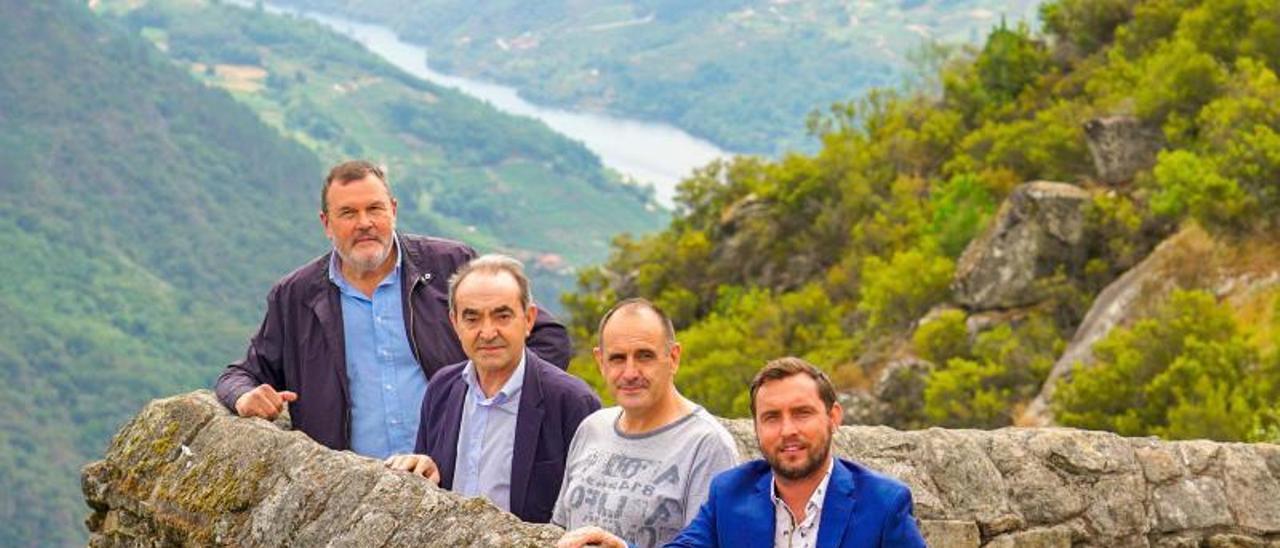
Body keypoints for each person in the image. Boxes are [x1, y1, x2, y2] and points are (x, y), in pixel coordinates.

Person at [214, 160, 570, 457]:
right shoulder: (295, 296)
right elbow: (239, 376)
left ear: (394, 211)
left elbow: (546, 339)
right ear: (327, 224)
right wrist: (246, 397)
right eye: (348, 213)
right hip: (354, 489)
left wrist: (499, 412)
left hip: (456, 474)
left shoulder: (451, 264)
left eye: (375, 209)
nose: (365, 223)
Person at [384, 254, 601, 523]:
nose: (487, 333)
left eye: (502, 316)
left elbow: (589, 514)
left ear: (529, 319)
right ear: (455, 323)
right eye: (472, 319)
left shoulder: (572, 402)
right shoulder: (442, 389)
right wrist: (423, 469)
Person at [665, 357, 925, 547]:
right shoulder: (730, 493)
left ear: (833, 417)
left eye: (802, 413)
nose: (787, 430)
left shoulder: (883, 504)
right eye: (772, 417)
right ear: (756, 427)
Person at [554, 299, 739, 548]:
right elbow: (560, 528)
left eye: (645, 356)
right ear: (600, 361)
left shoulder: (706, 445)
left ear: (673, 358)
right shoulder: (591, 428)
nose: (630, 372)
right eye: (618, 358)